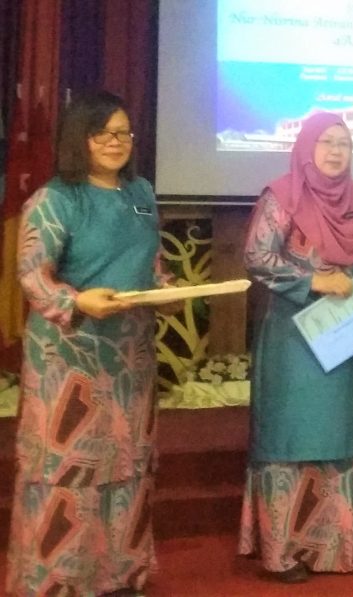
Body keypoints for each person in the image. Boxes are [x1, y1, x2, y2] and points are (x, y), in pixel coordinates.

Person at [6, 90, 176, 595]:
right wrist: (78, 301)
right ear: (79, 139)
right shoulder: (55, 199)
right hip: (69, 356)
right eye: (102, 134)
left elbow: (151, 263)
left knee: (127, 465)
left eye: (123, 133)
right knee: (70, 470)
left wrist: (167, 291)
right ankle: (59, 582)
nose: (115, 142)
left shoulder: (140, 192)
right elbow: (32, 275)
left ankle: (119, 575)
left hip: (130, 355)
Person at [238, 112, 353, 583]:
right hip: (294, 336)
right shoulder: (282, 196)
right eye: (326, 142)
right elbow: (258, 256)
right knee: (290, 437)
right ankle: (282, 552)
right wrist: (314, 280)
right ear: (306, 148)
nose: (336, 151)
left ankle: (334, 549)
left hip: (344, 332)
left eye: (344, 143)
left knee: (337, 438)